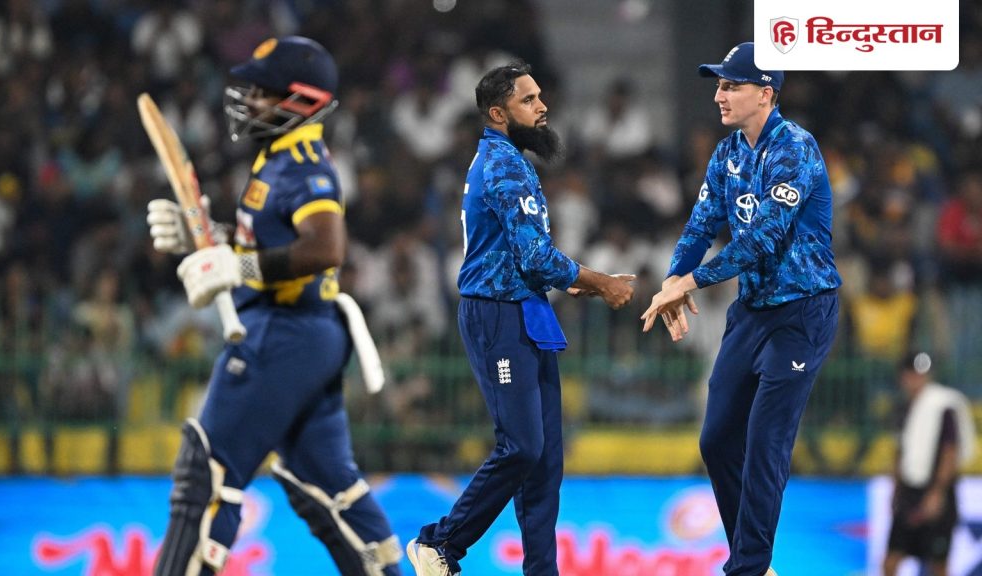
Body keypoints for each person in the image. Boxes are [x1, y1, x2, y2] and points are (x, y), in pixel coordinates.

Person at [146, 36, 403, 575]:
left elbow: (325, 248)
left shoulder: (303, 165)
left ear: (301, 100)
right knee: (327, 487)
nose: (249, 101)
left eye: (262, 92)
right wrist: (208, 239)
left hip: (283, 333)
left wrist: (236, 269)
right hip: (303, 334)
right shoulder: (279, 156)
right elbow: (263, 242)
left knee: (206, 471)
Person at [406, 61, 635, 576]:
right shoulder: (504, 164)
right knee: (522, 446)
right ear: (498, 113)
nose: (542, 107)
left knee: (545, 462)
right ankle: (439, 543)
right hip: (498, 313)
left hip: (524, 307)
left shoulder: (509, 160)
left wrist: (569, 280)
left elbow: (521, 254)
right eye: (528, 100)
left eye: (539, 96)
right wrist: (599, 281)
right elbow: (535, 254)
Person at [640, 42, 842, 576]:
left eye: (731, 85)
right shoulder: (727, 153)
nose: (719, 95)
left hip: (802, 314)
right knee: (716, 441)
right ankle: (751, 561)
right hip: (752, 312)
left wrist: (690, 282)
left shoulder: (795, 148)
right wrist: (672, 279)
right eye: (719, 84)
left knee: (766, 442)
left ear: (766, 93)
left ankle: (748, 568)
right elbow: (700, 227)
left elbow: (762, 241)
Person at [883, 352, 976, 576]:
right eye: (912, 374)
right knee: (891, 559)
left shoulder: (942, 405)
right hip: (909, 490)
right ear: (903, 376)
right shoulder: (904, 408)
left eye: (921, 374)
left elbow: (949, 450)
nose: (916, 379)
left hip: (936, 489)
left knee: (938, 562)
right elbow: (900, 450)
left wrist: (937, 492)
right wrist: (895, 489)